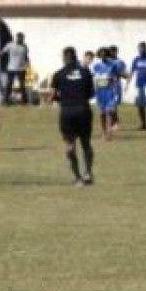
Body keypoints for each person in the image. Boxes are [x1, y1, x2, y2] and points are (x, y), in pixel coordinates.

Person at [50, 46, 97, 186]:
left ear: (64, 58)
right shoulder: (85, 72)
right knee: (86, 143)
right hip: (83, 110)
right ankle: (88, 172)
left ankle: (77, 178)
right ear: (76, 57)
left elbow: (53, 95)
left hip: (67, 112)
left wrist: (62, 98)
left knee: (70, 145)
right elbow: (91, 94)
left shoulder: (58, 74)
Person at [92, 46, 125, 140]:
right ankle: (103, 132)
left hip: (109, 91)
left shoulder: (113, 65)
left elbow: (118, 75)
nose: (103, 56)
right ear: (99, 55)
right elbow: (94, 77)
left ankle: (109, 132)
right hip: (100, 92)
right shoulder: (96, 66)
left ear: (107, 55)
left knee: (109, 112)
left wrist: (115, 80)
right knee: (102, 113)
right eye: (101, 55)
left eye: (105, 55)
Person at [0, 33, 30, 104]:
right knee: (9, 85)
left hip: (21, 69)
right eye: (19, 38)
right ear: (16, 38)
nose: (21, 39)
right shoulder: (10, 45)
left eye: (22, 38)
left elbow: (26, 57)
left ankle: (24, 101)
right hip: (11, 68)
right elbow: (2, 52)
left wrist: (27, 64)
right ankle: (6, 100)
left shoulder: (25, 46)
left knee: (22, 85)